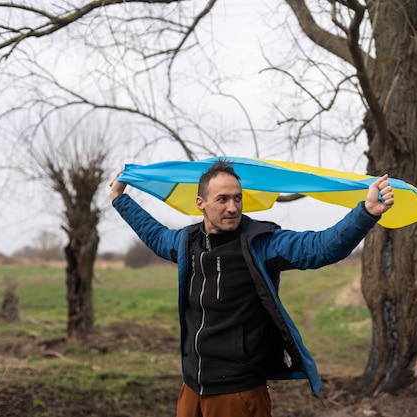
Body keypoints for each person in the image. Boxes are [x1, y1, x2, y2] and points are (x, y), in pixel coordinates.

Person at [109, 159, 394, 417]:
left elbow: (321, 247)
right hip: (192, 388)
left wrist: (366, 213)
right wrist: (120, 200)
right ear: (201, 203)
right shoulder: (187, 243)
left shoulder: (261, 243)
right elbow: (156, 236)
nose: (232, 207)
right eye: (222, 199)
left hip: (238, 392)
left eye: (237, 198)